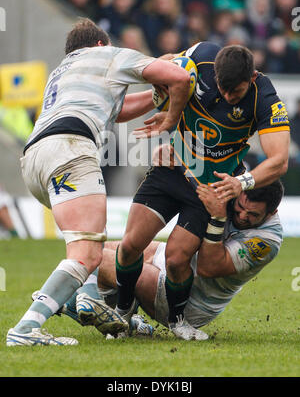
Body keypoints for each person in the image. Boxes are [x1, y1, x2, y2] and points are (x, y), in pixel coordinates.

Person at [6, 18, 191, 347]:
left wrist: (154, 97)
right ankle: (26, 328)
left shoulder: (62, 71)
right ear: (102, 44)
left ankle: (83, 296)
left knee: (82, 248)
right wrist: (170, 117)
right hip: (70, 149)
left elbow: (116, 111)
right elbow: (179, 76)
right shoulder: (109, 55)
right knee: (87, 254)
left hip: (34, 160)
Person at [114, 41, 290, 341]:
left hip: (209, 185)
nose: (226, 96)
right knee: (130, 245)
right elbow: (164, 64)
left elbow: (280, 160)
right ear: (216, 74)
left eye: (235, 92)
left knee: (176, 258)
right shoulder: (200, 56)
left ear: (252, 78)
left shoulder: (265, 96)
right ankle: (122, 314)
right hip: (173, 167)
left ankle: (178, 320)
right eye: (222, 88)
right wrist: (166, 105)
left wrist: (241, 182)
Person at [42, 180, 284, 341]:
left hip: (192, 301)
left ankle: (68, 303)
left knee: (100, 259)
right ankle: (121, 317)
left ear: (271, 212)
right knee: (102, 248)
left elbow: (209, 267)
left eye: (252, 215)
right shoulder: (233, 189)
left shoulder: (267, 241)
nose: (242, 216)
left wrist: (219, 217)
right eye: (240, 207)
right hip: (169, 259)